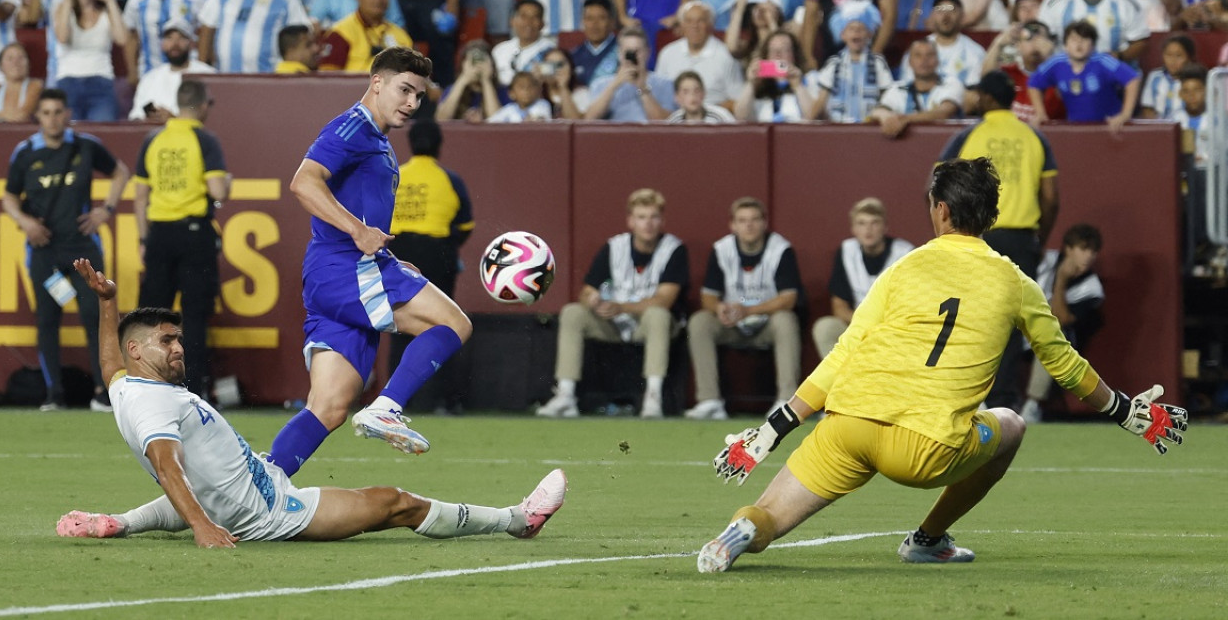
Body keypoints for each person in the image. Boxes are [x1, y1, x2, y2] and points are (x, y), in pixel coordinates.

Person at [696, 157, 1187, 574]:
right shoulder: (1016, 283)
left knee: (768, 516)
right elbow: (1065, 365)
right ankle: (928, 541)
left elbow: (844, 352)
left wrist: (777, 425)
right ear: (989, 216)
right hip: (924, 450)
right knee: (1011, 424)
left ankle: (740, 532)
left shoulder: (902, 268)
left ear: (942, 210)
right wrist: (1125, 411)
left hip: (849, 425)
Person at [55, 258, 566, 547]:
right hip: (271, 511)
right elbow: (168, 468)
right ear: (138, 349)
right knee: (394, 503)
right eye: (167, 341)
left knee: (319, 414)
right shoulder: (154, 407)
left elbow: (109, 367)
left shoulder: (128, 386)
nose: (179, 347)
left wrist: (106, 304)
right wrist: (204, 529)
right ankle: (516, 520)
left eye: (178, 338)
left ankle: (117, 523)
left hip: (248, 481)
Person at [266, 47, 473, 475]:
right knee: (453, 324)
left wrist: (388, 255)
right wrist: (358, 233)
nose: (412, 103)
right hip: (345, 269)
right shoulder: (352, 127)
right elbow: (304, 182)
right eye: (404, 90)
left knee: (327, 408)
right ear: (376, 82)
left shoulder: (378, 142)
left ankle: (258, 484)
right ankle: (387, 409)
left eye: (418, 95)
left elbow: (360, 210)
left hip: (335, 275)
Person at [1, 88, 131, 411]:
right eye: (46, 113)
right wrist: (25, 222)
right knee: (47, 319)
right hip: (44, 249)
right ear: (38, 117)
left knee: (94, 316)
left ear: (68, 114)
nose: (53, 118)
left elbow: (120, 171)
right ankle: (53, 394)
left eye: (58, 112)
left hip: (82, 247)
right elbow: (9, 198)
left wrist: (107, 210)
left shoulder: (85, 145)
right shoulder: (25, 152)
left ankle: (104, 393)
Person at [937, 71, 1058, 412]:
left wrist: (949, 232)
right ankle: (1005, 402)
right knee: (1011, 325)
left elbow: (935, 188)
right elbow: (1051, 198)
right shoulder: (1034, 137)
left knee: (969, 318)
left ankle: (965, 399)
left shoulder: (967, 135)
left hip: (974, 236)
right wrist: (1038, 237)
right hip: (1021, 238)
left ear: (987, 98)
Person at [537, 187, 688, 419]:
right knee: (573, 312)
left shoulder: (674, 249)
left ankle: (653, 397)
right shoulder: (614, 247)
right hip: (614, 323)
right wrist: (593, 301)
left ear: (662, 221)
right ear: (630, 221)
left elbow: (664, 300)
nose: (647, 224)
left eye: (653, 217)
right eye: (641, 217)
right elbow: (586, 292)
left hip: (648, 326)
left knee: (657, 315)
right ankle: (565, 395)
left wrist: (621, 307)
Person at [133, 79, 229, 402]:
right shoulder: (204, 140)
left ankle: (142, 384)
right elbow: (218, 192)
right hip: (193, 235)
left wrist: (144, 238)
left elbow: (140, 196)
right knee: (194, 317)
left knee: (151, 317)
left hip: (159, 233)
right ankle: (193, 391)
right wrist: (226, 182)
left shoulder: (154, 140)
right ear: (202, 105)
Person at [685, 197, 804, 421]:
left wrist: (750, 311)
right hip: (731, 323)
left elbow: (789, 298)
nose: (748, 225)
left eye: (754, 220)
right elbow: (708, 295)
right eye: (742, 220)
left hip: (766, 324)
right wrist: (719, 308)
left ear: (764, 223)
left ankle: (786, 401)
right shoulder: (722, 249)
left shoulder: (781, 249)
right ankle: (709, 400)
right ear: (733, 225)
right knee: (700, 321)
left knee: (786, 320)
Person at [387, 118, 475, 415]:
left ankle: (395, 401)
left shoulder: (396, 176)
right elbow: (465, 225)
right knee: (445, 327)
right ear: (439, 145)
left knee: (398, 327)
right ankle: (443, 401)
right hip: (438, 254)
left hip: (397, 253)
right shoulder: (449, 179)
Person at [810, 197, 914, 360]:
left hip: (891, 327)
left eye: (874, 223)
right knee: (825, 327)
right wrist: (863, 326)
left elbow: (908, 307)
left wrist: (879, 328)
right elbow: (839, 307)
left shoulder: (904, 253)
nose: (868, 230)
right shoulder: (846, 251)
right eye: (861, 223)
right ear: (853, 229)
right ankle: (840, 383)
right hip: (857, 323)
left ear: (885, 227)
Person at [1022, 223, 1105, 423]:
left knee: (1052, 335)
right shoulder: (1047, 260)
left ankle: (1032, 406)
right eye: (1084, 249)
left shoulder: (1092, 288)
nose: (1089, 256)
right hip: (1020, 327)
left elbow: (1060, 318)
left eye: (1093, 251)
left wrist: (1061, 278)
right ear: (1068, 249)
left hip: (1056, 344)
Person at [1026, 19, 1140, 133]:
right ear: (1065, 45)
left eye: (1084, 39)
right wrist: (1040, 113)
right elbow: (1034, 83)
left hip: (1108, 127)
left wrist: (1125, 114)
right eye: (1074, 40)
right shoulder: (1057, 63)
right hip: (1074, 128)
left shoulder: (1103, 61)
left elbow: (1132, 79)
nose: (1079, 44)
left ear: (1093, 45)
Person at [50, 0, 128, 121]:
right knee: (69, 136)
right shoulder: (62, 7)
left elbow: (122, 39)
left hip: (101, 81)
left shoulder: (107, 11)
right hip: (68, 81)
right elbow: (62, 37)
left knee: (103, 134)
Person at [318, 0, 413, 72]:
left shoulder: (400, 35)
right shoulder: (341, 32)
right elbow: (328, 77)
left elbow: (416, 73)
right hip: (355, 87)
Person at [654, 0, 742, 107]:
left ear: (710, 25)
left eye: (701, 21)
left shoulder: (726, 56)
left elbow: (737, 100)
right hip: (675, 117)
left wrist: (705, 112)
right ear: (681, 25)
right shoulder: (667, 53)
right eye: (689, 21)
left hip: (714, 118)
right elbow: (659, 95)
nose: (694, 26)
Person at [869, 39, 964, 138]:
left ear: (937, 60)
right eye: (918, 55)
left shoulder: (951, 83)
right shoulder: (898, 88)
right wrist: (887, 118)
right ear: (910, 62)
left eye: (930, 55)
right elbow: (878, 111)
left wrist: (906, 119)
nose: (924, 60)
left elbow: (943, 113)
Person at [127, 19, 217, 121]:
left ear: (191, 43)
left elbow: (209, 113)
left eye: (181, 38)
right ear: (162, 44)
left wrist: (174, 118)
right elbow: (136, 115)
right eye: (169, 38)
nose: (175, 43)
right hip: (155, 134)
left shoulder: (207, 74)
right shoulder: (149, 78)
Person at [582, 27, 676, 122]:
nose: (633, 57)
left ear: (648, 52)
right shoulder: (600, 84)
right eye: (628, 52)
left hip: (650, 135)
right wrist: (615, 84)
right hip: (615, 135)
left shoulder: (665, 84)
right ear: (619, 53)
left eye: (637, 51)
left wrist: (642, 88)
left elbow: (666, 123)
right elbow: (589, 119)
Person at [667, 71, 736, 124]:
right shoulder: (673, 121)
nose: (692, 96)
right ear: (677, 97)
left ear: (704, 93)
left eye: (696, 90)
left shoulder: (722, 117)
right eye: (686, 92)